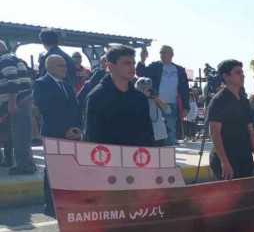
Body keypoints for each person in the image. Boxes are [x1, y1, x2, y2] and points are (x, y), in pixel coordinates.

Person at [34, 54, 83, 216]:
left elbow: (76, 109)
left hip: (73, 134)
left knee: (69, 169)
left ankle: (67, 202)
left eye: (64, 65)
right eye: (60, 65)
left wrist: (78, 128)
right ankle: (50, 206)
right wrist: (64, 130)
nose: (64, 68)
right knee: (53, 170)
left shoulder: (68, 85)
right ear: (49, 67)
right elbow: (47, 111)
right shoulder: (41, 84)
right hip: (53, 133)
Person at [206, 59, 254, 181]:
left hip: (245, 158)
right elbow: (214, 133)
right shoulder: (218, 101)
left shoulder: (244, 101)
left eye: (242, 72)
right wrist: (224, 162)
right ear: (226, 76)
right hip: (226, 160)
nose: (242, 76)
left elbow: (250, 132)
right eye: (238, 73)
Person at [85, 46, 153, 147]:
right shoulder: (96, 97)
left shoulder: (140, 98)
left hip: (137, 158)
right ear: (111, 66)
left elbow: (148, 134)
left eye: (133, 63)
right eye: (127, 63)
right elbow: (92, 137)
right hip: (106, 158)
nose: (132, 67)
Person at [137, 45, 191, 146]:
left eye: (164, 52)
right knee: (154, 128)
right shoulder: (155, 66)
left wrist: (186, 107)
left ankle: (169, 154)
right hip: (156, 102)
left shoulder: (179, 70)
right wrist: (142, 59)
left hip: (173, 103)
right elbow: (140, 72)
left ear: (171, 54)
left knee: (171, 130)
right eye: (160, 52)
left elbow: (185, 89)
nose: (162, 54)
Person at [0, 41, 36, 175]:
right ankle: (27, 164)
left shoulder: (5, 60)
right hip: (22, 99)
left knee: (20, 135)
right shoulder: (12, 58)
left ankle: (25, 166)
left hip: (19, 101)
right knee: (22, 134)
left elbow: (13, 80)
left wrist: (12, 102)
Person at [134, 78, 171, 146]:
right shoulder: (133, 97)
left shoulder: (155, 96)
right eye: (142, 84)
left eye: (148, 83)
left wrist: (156, 99)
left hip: (158, 133)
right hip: (141, 134)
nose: (145, 85)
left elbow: (168, 110)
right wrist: (143, 97)